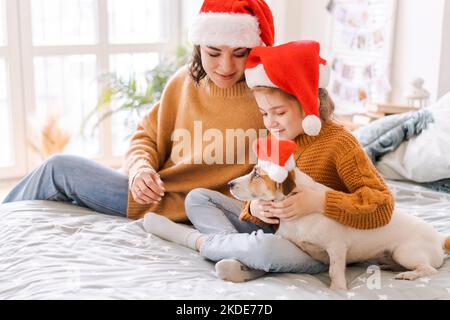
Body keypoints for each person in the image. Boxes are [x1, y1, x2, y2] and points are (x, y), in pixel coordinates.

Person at [2, 0, 275, 222]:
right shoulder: (183, 82)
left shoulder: (271, 96)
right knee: (56, 168)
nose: (226, 67)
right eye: (213, 53)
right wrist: (140, 169)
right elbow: (145, 137)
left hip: (218, 214)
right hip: (152, 198)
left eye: (240, 53)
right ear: (198, 46)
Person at [144, 41, 395, 283]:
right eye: (264, 114)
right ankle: (238, 252)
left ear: (310, 105)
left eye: (279, 113)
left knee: (264, 249)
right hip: (279, 231)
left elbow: (382, 206)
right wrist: (253, 209)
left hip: (316, 248)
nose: (270, 122)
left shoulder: (340, 144)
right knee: (198, 198)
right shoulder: (276, 140)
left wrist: (320, 202)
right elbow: (262, 191)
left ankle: (197, 241)